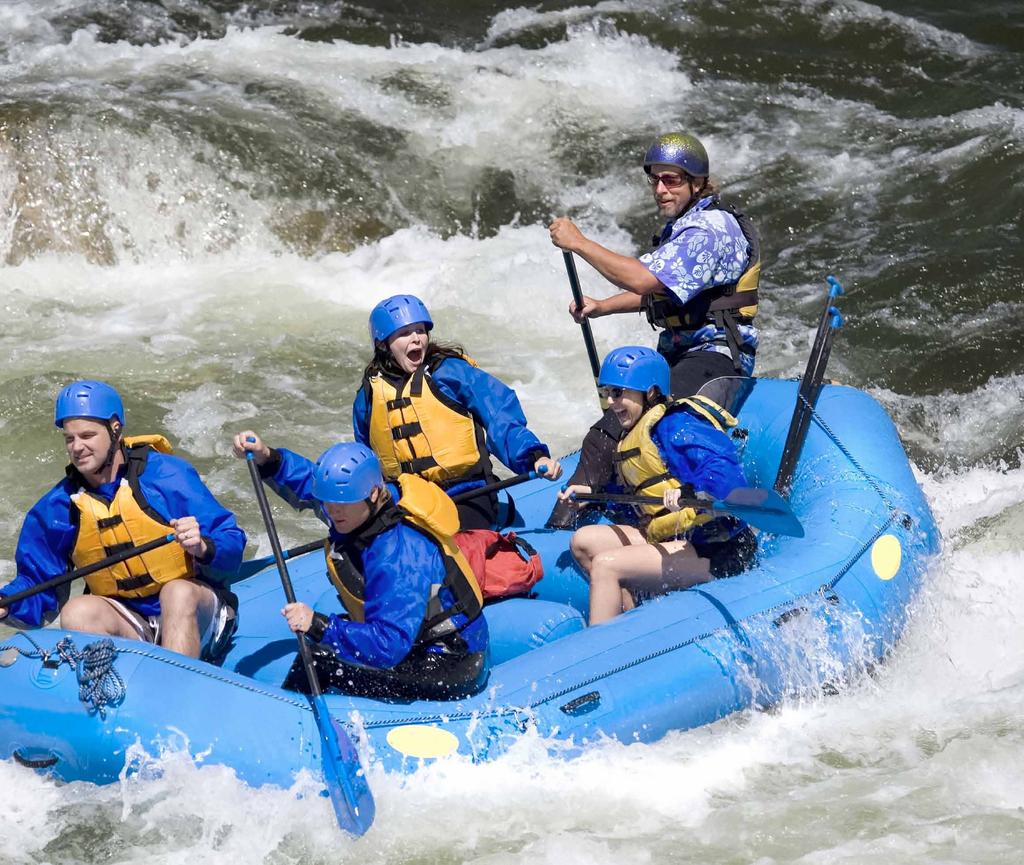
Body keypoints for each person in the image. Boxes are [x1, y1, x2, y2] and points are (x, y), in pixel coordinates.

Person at [231, 433, 489, 700]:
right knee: (325, 643)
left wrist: (319, 626)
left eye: (341, 504)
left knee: (321, 661)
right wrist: (268, 458)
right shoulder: (357, 504)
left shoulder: (398, 555)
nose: (332, 512)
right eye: (329, 503)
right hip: (414, 639)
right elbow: (311, 482)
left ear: (374, 494)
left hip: (449, 660)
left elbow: (389, 644)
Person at [0, 380, 246, 660]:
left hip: (198, 612)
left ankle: (176, 690)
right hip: (132, 622)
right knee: (77, 611)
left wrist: (203, 547)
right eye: (70, 438)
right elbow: (37, 582)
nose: (77, 447)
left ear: (115, 429)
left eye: (88, 435)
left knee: (176, 593)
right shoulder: (59, 506)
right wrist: (9, 604)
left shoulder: (166, 475)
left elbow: (232, 542)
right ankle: (115, 692)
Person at [549, 131, 761, 397]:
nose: (660, 190)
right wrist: (603, 307)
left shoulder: (708, 230)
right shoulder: (684, 225)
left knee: (655, 419)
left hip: (716, 357)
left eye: (671, 180)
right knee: (618, 417)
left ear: (696, 183)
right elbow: (661, 293)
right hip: (681, 352)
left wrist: (579, 243)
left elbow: (642, 280)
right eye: (655, 180)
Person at [558, 347, 758, 625]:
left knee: (606, 566)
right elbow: (642, 499)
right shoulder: (631, 435)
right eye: (608, 393)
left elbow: (726, 476)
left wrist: (690, 492)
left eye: (619, 393)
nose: (612, 403)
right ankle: (630, 622)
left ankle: (604, 656)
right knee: (584, 542)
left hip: (715, 548)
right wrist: (595, 496)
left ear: (650, 392)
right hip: (673, 538)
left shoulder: (677, 425)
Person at [352, 293, 562, 530]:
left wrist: (533, 456)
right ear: (383, 344)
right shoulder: (369, 395)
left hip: (466, 491)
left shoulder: (449, 373)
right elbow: (366, 455)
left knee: (452, 546)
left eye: (420, 330)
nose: (416, 339)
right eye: (404, 333)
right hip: (408, 498)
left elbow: (499, 414)